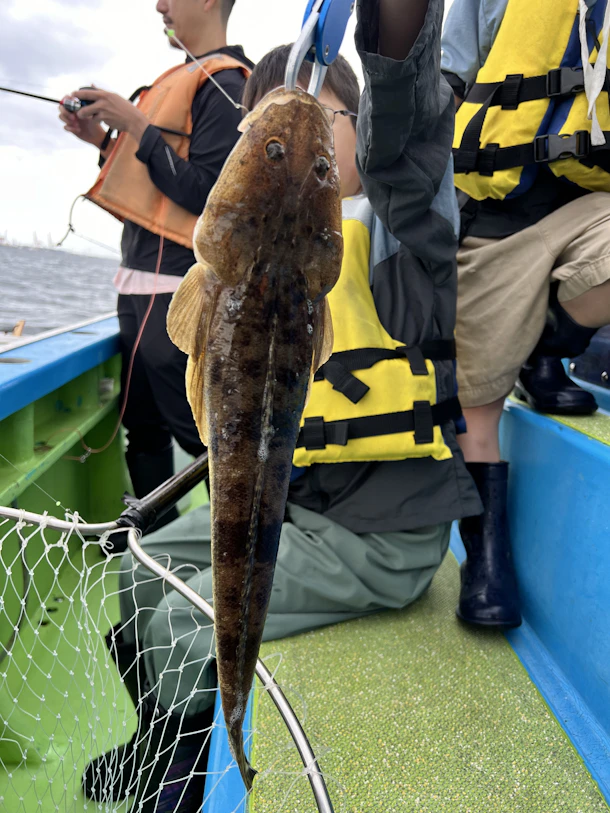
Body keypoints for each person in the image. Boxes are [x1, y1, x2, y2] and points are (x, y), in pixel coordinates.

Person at [84, 0, 481, 809]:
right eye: (260, 133)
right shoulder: (225, 261)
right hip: (301, 502)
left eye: (327, 122)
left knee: (184, 624)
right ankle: (155, 735)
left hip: (379, 538)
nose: (302, 143)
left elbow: (407, 137)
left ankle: (183, 770)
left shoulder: (405, 240)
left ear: (363, 128)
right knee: (137, 568)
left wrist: (395, 29)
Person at [441, 0, 610, 630]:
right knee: (478, 404)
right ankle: (485, 561)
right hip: (491, 216)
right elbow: (444, 80)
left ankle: (542, 351)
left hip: (589, 204)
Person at [59, 0, 253, 527]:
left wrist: (137, 127)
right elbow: (158, 187)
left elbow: (211, 196)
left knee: (208, 440)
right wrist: (103, 140)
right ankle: (156, 550)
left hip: (178, 299)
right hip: (137, 293)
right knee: (143, 431)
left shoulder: (226, 86)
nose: (160, 5)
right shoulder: (193, 78)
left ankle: (233, 549)